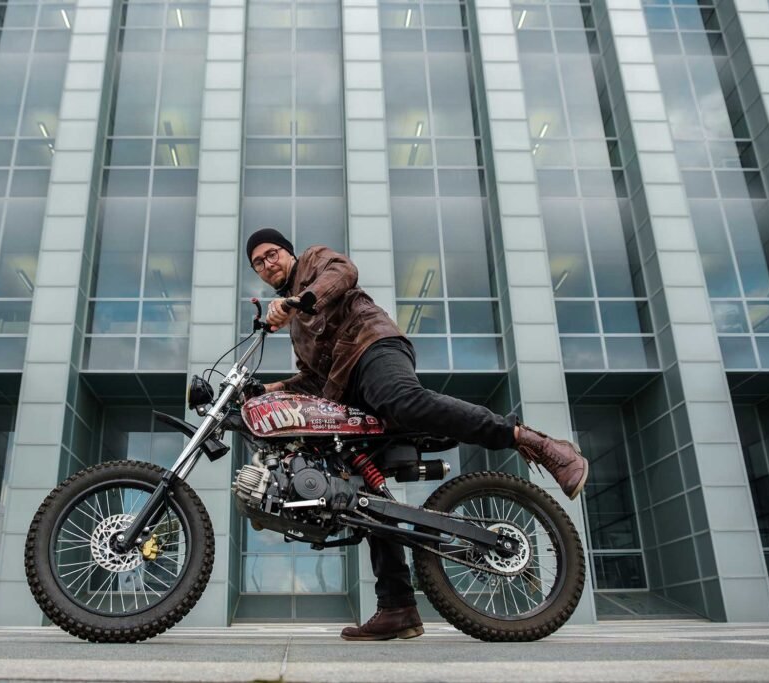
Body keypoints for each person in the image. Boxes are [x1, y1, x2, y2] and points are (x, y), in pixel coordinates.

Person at [245, 228, 589, 642]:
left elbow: (344, 272)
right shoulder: (297, 333)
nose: (267, 264)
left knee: (402, 401)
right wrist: (268, 389)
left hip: (371, 347)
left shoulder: (313, 263)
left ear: (288, 252)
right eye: (258, 263)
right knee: (362, 500)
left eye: (272, 254)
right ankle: (398, 608)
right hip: (348, 392)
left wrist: (300, 300)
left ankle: (535, 442)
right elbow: (314, 379)